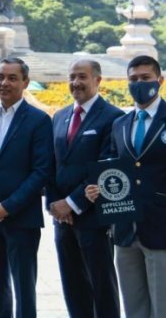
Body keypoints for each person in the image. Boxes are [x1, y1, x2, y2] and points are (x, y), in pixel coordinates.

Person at [0, 57, 53, 318]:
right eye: (0, 77)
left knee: (24, 290)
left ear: (25, 83)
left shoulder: (39, 120)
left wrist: (8, 207)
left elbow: (41, 172)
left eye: (12, 78)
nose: (4, 83)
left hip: (21, 220)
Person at [86, 55, 165, 318]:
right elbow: (111, 166)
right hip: (125, 229)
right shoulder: (120, 124)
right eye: (133, 79)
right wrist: (97, 189)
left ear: (160, 81)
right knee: (134, 308)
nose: (139, 84)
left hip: (161, 229)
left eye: (145, 78)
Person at [47, 60, 123, 318]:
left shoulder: (113, 117)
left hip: (94, 218)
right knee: (73, 287)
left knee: (102, 287)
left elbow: (106, 167)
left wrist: (71, 203)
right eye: (72, 77)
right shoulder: (59, 117)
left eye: (82, 76)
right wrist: (56, 205)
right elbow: (52, 165)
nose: (76, 82)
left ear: (98, 80)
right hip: (63, 220)